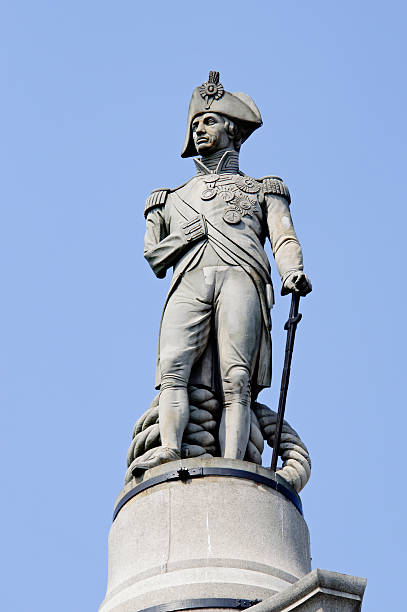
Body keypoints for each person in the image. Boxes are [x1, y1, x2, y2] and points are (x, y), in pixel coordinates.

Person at [134, 71, 311, 472]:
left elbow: (284, 238)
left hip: (241, 278)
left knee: (236, 379)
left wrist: (292, 272)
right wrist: (185, 237)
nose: (199, 129)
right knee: (173, 369)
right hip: (189, 278)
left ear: (232, 130)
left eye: (209, 121)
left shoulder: (263, 189)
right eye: (195, 123)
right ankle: (171, 448)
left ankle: (234, 464)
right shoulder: (171, 198)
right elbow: (154, 257)